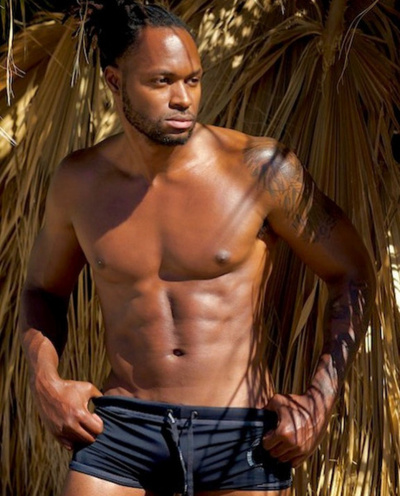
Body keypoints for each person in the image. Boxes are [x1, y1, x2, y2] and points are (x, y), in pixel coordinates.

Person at [19, 2, 376, 495]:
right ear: (115, 82)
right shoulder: (80, 182)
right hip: (123, 428)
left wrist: (320, 400)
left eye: (193, 80)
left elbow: (353, 273)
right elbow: (42, 290)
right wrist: (46, 381)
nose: (183, 98)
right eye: (162, 81)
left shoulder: (260, 169)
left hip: (241, 434)